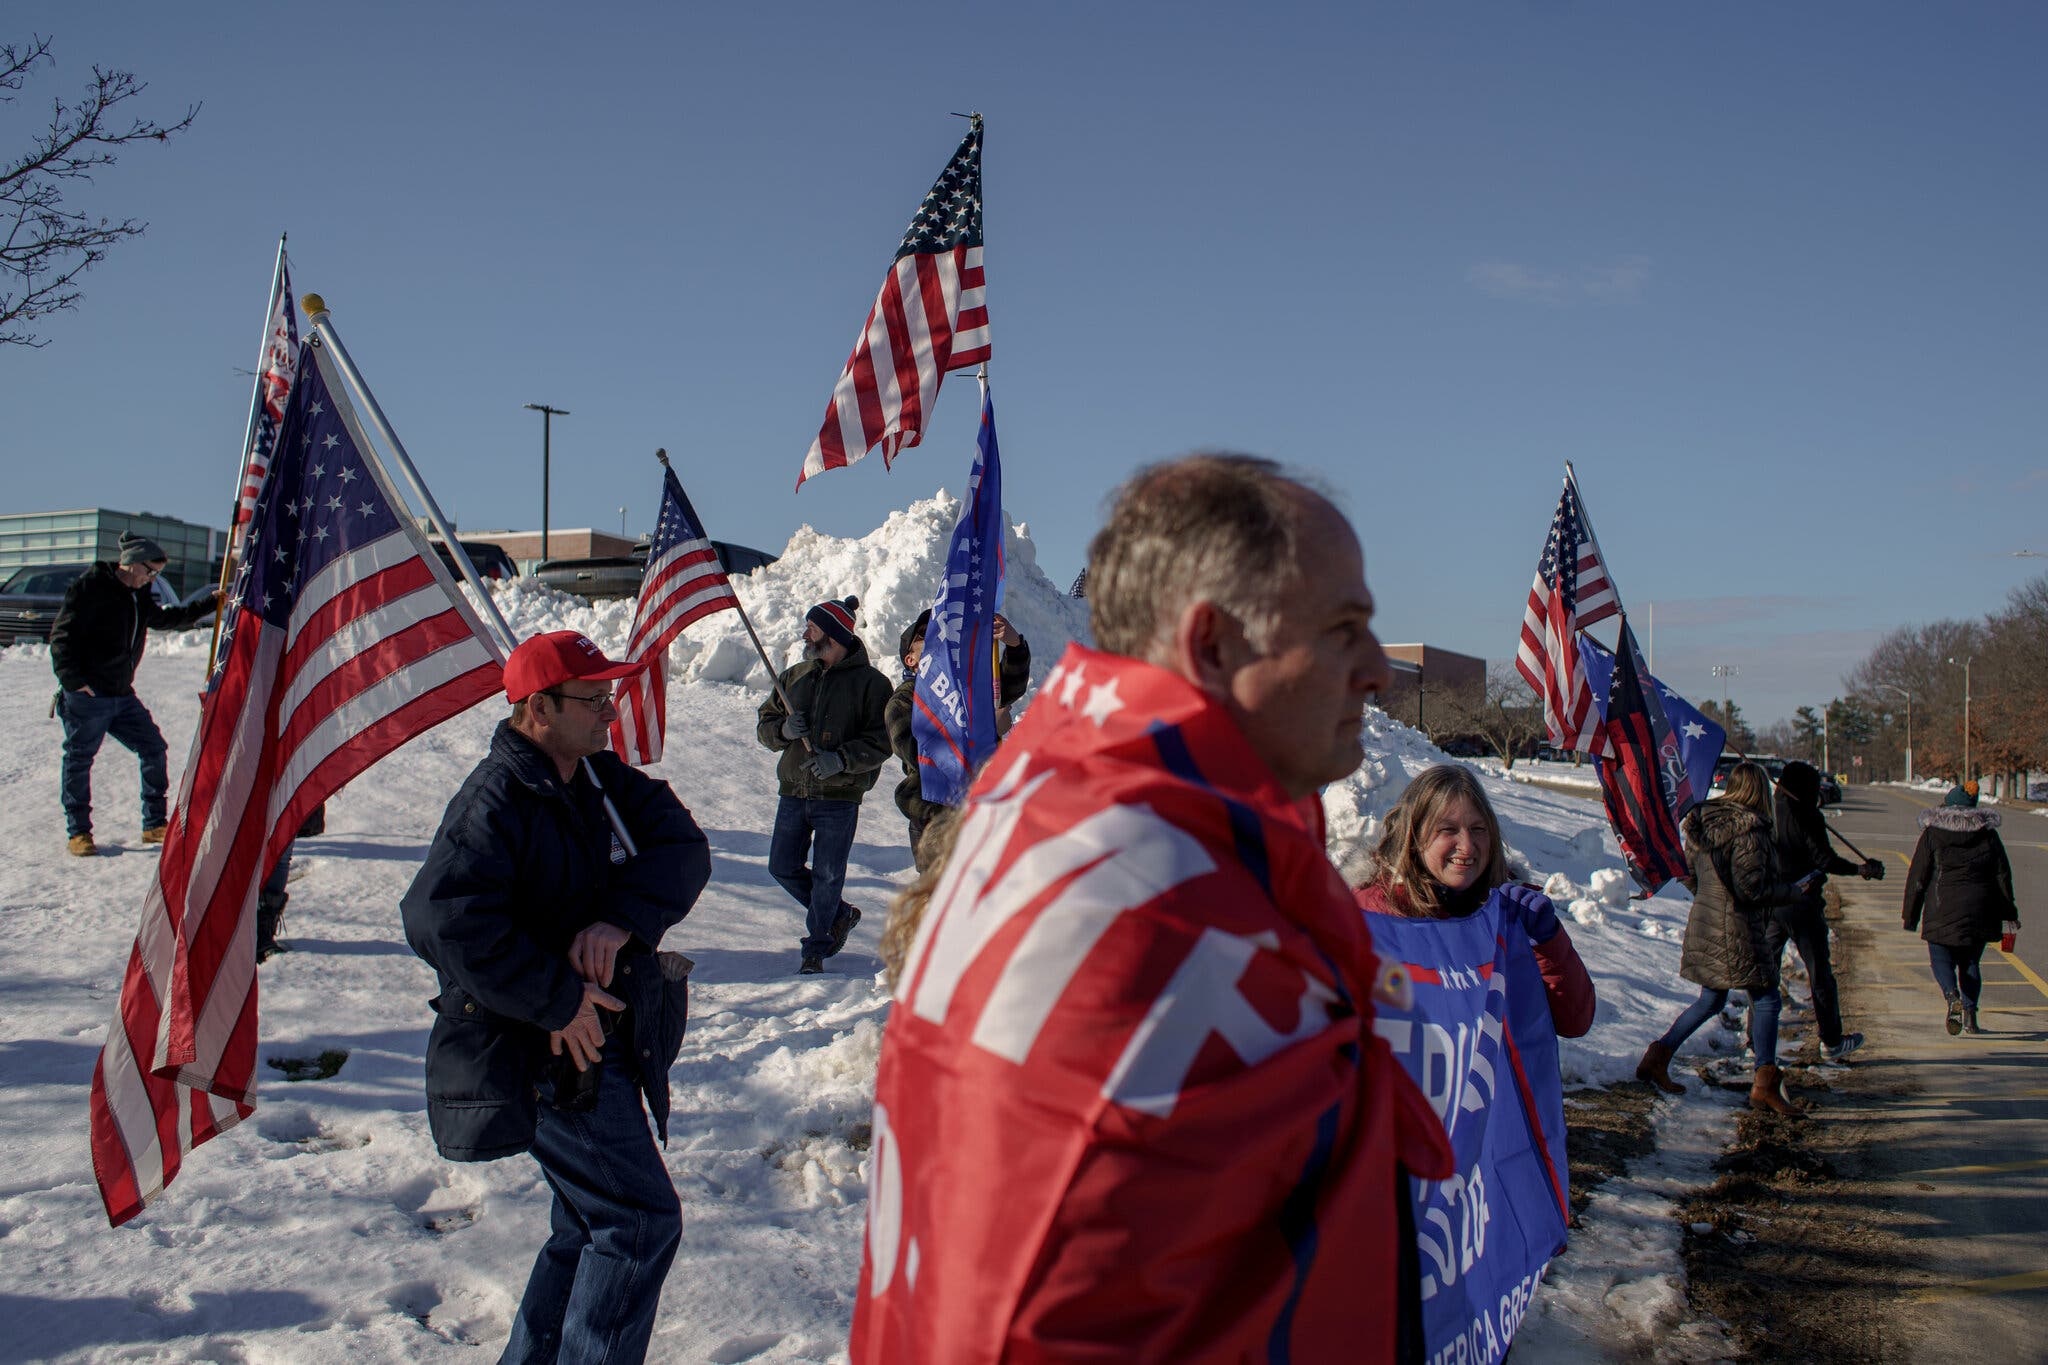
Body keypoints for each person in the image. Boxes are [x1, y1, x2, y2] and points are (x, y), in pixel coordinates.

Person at [852, 455, 1453, 1364]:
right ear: (1213, 643)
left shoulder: (1123, 814)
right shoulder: (1145, 895)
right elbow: (1037, 1307)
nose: (1377, 669)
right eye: (1343, 629)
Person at [401, 630, 710, 1364]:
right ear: (539, 708)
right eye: (594, 697)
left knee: (588, 1222)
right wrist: (555, 998)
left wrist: (622, 919)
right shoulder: (495, 798)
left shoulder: (595, 778)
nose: (610, 709)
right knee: (637, 1220)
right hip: (537, 1054)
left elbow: (685, 848)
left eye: (610, 693)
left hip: (596, 1047)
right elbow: (438, 916)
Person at [1353, 764, 1594, 1361]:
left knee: (1475, 1292)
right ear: (1412, 836)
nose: (1468, 847)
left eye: (1480, 829)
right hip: (1396, 1163)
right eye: (1448, 830)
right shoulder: (1370, 918)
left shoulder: (1508, 913)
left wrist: (1548, 940)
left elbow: (1574, 1018)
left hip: (1484, 1154)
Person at [1636, 762, 1809, 1116]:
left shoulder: (1703, 824)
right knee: (1765, 999)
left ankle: (1658, 1056)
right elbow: (1751, 888)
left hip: (1705, 921)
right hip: (1740, 929)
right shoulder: (1752, 830)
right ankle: (1764, 1084)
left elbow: (1686, 871)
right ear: (1760, 791)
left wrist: (1707, 897)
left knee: (1711, 1000)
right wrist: (1793, 891)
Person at [48, 533, 220, 856]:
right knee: (79, 760)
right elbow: (61, 637)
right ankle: (79, 833)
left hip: (122, 695)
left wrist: (209, 604)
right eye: (150, 572)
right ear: (131, 563)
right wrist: (73, 681)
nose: (152, 579)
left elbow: (166, 618)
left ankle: (154, 823)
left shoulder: (139, 594)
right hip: (88, 697)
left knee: (154, 748)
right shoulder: (90, 588)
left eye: (156, 574)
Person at [756, 596, 892, 974]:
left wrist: (842, 760)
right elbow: (765, 727)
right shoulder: (794, 678)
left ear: (832, 634)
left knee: (828, 874)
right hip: (794, 791)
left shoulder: (873, 684)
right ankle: (840, 914)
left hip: (839, 797)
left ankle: (816, 947)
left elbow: (883, 741)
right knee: (781, 866)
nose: (805, 634)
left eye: (812, 628)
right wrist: (781, 730)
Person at [884, 606, 1031, 870]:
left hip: (983, 812)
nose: (935, 638)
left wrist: (1014, 644)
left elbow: (1010, 686)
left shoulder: (969, 688)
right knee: (942, 901)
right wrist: (984, 733)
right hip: (935, 818)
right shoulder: (905, 701)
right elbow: (922, 753)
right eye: (924, 635)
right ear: (911, 660)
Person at [1771, 760, 1884, 1061]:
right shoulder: (1807, 815)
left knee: (1764, 974)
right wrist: (1860, 869)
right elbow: (1825, 860)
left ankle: (1757, 1043)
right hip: (1802, 904)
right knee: (1819, 973)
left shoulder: (1769, 810)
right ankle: (1831, 1040)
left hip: (1769, 902)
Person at [1903, 781, 2019, 1037]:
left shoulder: (1933, 833)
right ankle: (1970, 1016)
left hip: (1940, 908)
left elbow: (1918, 877)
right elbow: (2002, 876)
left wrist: (1910, 915)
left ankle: (1951, 995)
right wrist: (2009, 913)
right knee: (1970, 963)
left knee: (1941, 958)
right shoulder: (1988, 835)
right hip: (1980, 909)